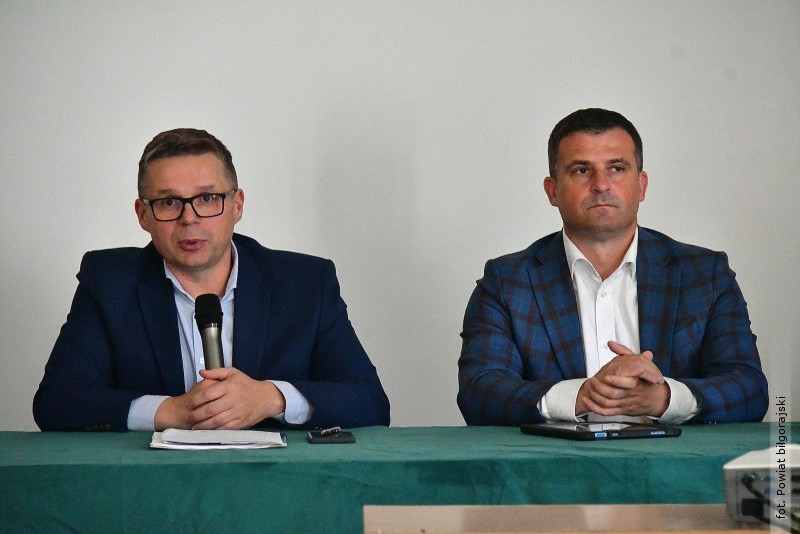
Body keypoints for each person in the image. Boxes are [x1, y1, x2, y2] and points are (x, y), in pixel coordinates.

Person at [34, 128, 390, 432]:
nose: (189, 218)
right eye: (168, 202)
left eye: (207, 198)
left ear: (237, 205)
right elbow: (57, 402)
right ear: (143, 215)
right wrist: (168, 411)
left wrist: (270, 398)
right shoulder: (108, 282)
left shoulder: (306, 284)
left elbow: (370, 402)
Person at [457, 108, 768, 426]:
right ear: (553, 191)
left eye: (617, 168)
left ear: (641, 185)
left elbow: (750, 388)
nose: (601, 185)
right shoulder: (507, 283)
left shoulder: (705, 275)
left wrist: (665, 399)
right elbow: (478, 391)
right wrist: (580, 396)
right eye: (581, 170)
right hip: (557, 458)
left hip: (672, 458)